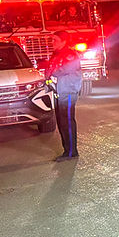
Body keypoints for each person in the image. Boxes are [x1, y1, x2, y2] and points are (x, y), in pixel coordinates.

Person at [45, 30, 82, 161]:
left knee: (67, 122)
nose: (52, 43)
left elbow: (64, 69)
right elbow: (49, 70)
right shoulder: (56, 54)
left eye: (55, 40)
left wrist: (52, 73)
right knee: (61, 122)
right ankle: (67, 150)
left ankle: (72, 152)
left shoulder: (70, 55)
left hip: (68, 92)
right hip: (58, 92)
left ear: (64, 41)